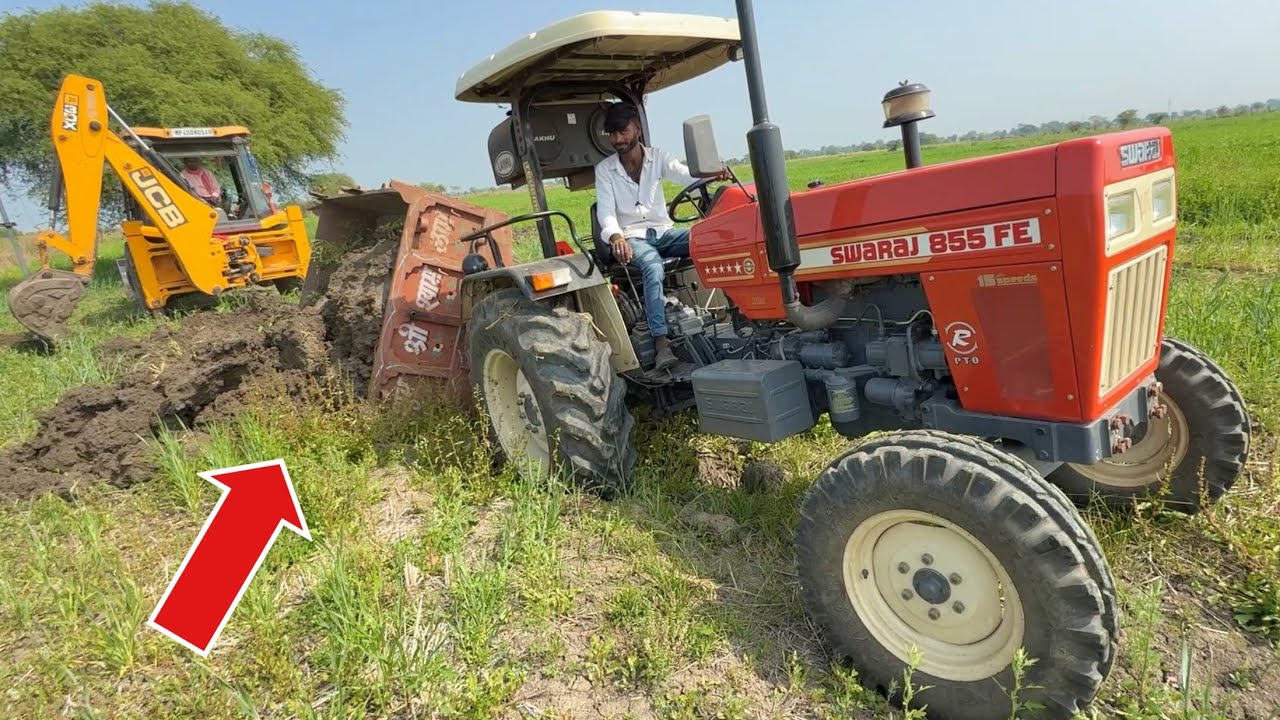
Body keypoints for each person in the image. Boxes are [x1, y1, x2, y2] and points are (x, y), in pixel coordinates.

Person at [594, 102, 726, 370]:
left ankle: (736, 312)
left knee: (711, 242)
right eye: (612, 134)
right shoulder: (605, 170)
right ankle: (661, 342)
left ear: (637, 129)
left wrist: (711, 174)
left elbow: (685, 176)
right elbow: (606, 212)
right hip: (633, 238)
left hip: (664, 232)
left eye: (622, 132)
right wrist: (616, 236)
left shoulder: (658, 158)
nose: (618, 139)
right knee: (653, 267)